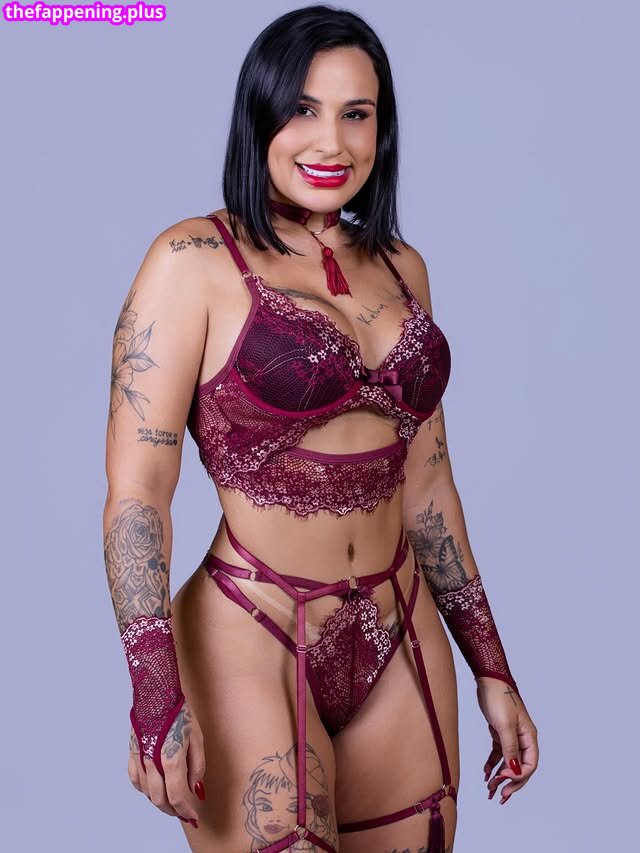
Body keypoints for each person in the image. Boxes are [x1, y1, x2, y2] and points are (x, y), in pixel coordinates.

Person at [103, 5, 539, 852]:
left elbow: (428, 485)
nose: (331, 141)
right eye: (303, 109)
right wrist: (154, 689)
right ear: (260, 113)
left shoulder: (403, 269)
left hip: (399, 626)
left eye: (356, 113)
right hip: (250, 626)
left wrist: (493, 667)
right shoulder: (191, 262)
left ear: (382, 128)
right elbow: (137, 493)